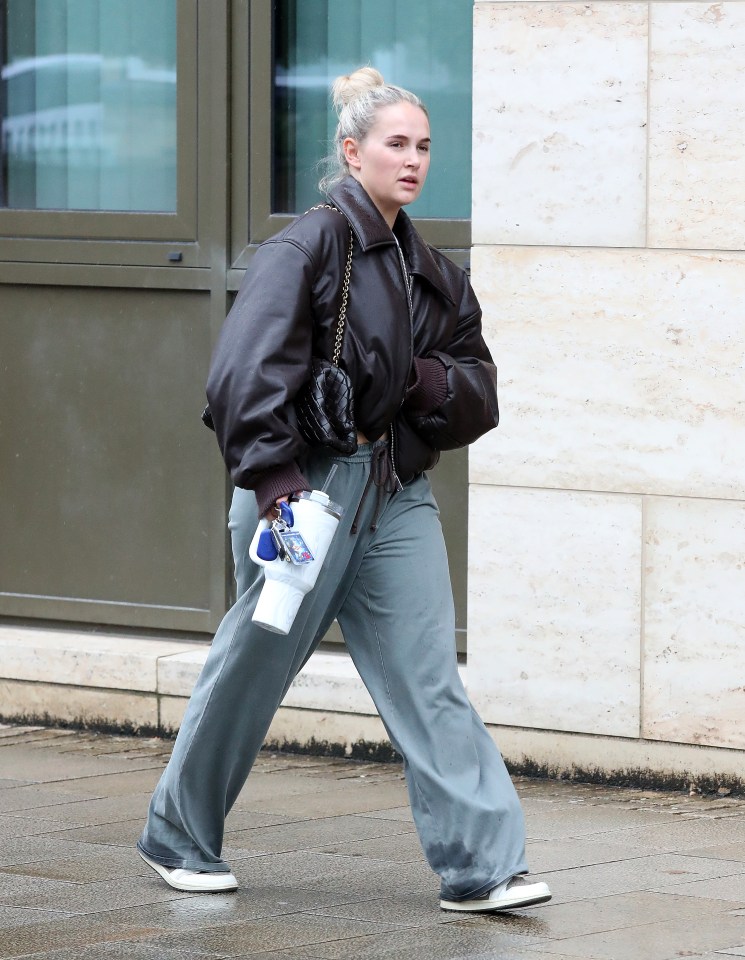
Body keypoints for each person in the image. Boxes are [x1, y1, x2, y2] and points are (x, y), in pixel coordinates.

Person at [137, 66, 551, 914]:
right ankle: (177, 835)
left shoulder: (429, 268)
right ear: (352, 151)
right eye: (396, 144)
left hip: (393, 494)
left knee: (428, 676)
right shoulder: (310, 246)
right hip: (299, 491)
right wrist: (277, 483)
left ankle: (479, 865)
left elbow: (479, 383)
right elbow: (240, 378)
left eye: (424, 146)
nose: (413, 160)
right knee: (252, 667)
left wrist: (423, 385)